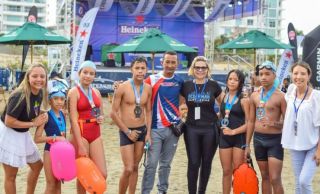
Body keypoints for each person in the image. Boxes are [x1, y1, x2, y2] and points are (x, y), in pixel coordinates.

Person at [0, 64, 49, 194]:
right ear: (28, 78)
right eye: (35, 76)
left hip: (23, 133)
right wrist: (34, 124)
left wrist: (49, 112)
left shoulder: (39, 92)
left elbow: (34, 110)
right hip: (9, 133)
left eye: (42, 76)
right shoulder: (19, 95)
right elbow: (9, 121)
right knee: (11, 175)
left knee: (37, 165)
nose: (39, 79)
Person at [141, 51, 184, 194]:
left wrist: (180, 116)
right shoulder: (151, 79)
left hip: (173, 130)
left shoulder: (180, 81)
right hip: (154, 129)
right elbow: (138, 94)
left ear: (177, 64)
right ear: (162, 62)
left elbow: (183, 102)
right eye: (167, 62)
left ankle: (162, 191)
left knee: (165, 165)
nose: (170, 65)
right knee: (151, 164)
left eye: (173, 62)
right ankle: (146, 191)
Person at [180, 56, 224, 194]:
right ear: (192, 69)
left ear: (207, 70)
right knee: (193, 163)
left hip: (210, 129)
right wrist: (182, 113)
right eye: (197, 67)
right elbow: (180, 104)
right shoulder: (186, 85)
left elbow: (225, 103)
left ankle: (201, 192)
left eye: (203, 67)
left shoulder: (213, 85)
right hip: (191, 128)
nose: (200, 70)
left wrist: (221, 117)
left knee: (206, 163)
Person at [110, 57, 152, 194]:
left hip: (141, 131)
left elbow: (149, 111)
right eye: (137, 68)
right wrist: (127, 132)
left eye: (143, 68)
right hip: (126, 131)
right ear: (131, 69)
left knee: (135, 167)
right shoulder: (122, 87)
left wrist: (148, 134)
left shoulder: (148, 89)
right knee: (128, 168)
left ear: (146, 70)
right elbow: (113, 113)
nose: (140, 71)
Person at [245, 61, 286, 194]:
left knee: (275, 178)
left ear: (274, 76)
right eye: (261, 74)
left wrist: (273, 123)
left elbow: (288, 123)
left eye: (267, 74)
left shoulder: (281, 97)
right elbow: (251, 121)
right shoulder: (254, 95)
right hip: (258, 139)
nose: (263, 77)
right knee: (265, 177)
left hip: (275, 140)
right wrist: (247, 145)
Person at [68, 60, 107, 194]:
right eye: (85, 72)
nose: (88, 76)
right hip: (81, 132)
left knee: (102, 173)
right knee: (83, 173)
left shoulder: (96, 91)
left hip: (95, 132)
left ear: (94, 76)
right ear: (79, 73)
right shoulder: (73, 92)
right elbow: (73, 120)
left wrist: (101, 117)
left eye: (91, 73)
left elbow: (101, 113)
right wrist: (80, 144)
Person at [281, 61, 320, 194]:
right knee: (298, 182)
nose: (298, 76)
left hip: (312, 145)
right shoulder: (291, 89)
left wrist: (319, 151)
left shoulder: (316, 96)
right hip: (295, 144)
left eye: (303, 73)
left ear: (309, 76)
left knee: (304, 181)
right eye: (295, 73)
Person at [219, 69, 250, 194]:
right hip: (224, 138)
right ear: (226, 80)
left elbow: (249, 124)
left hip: (239, 139)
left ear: (240, 82)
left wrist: (233, 132)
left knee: (238, 172)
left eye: (236, 80)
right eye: (230, 79)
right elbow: (222, 115)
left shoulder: (244, 100)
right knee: (226, 171)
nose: (232, 82)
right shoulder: (222, 96)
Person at [34, 83, 67, 194]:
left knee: (58, 183)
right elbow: (37, 139)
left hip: (62, 152)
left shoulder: (63, 114)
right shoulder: (46, 116)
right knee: (51, 184)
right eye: (55, 98)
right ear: (50, 100)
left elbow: (64, 135)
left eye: (62, 99)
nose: (59, 101)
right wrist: (55, 138)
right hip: (50, 151)